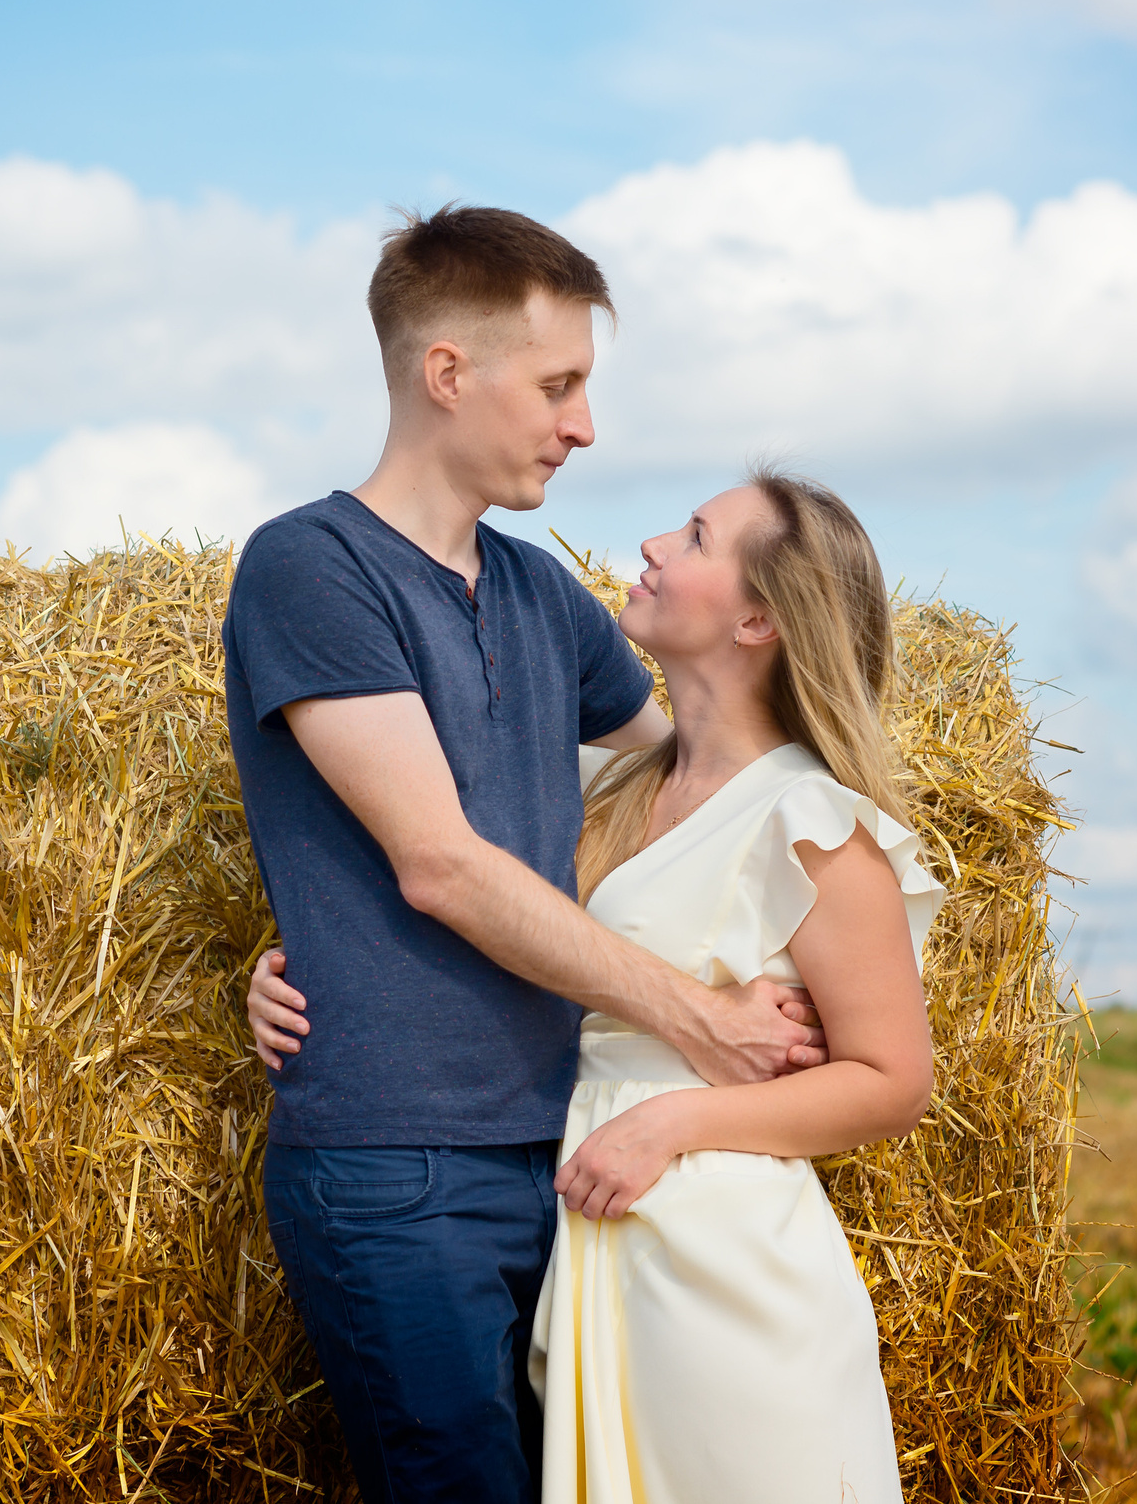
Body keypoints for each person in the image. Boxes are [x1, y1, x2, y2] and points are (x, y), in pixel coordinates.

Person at [221, 205, 829, 1504]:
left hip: (561, 1153)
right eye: (559, 385)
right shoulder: (310, 568)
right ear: (449, 373)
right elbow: (438, 860)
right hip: (397, 1164)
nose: (584, 426)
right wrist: (701, 1018)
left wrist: (816, 924)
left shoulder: (548, 597)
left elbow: (698, 790)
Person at [258, 468, 945, 1504]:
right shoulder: (600, 792)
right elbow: (470, 899)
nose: (658, 542)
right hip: (593, 1232)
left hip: (724, 1261)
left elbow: (894, 1080)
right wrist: (284, 964)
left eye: (699, 535)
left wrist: (671, 1123)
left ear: (758, 615)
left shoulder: (813, 825)